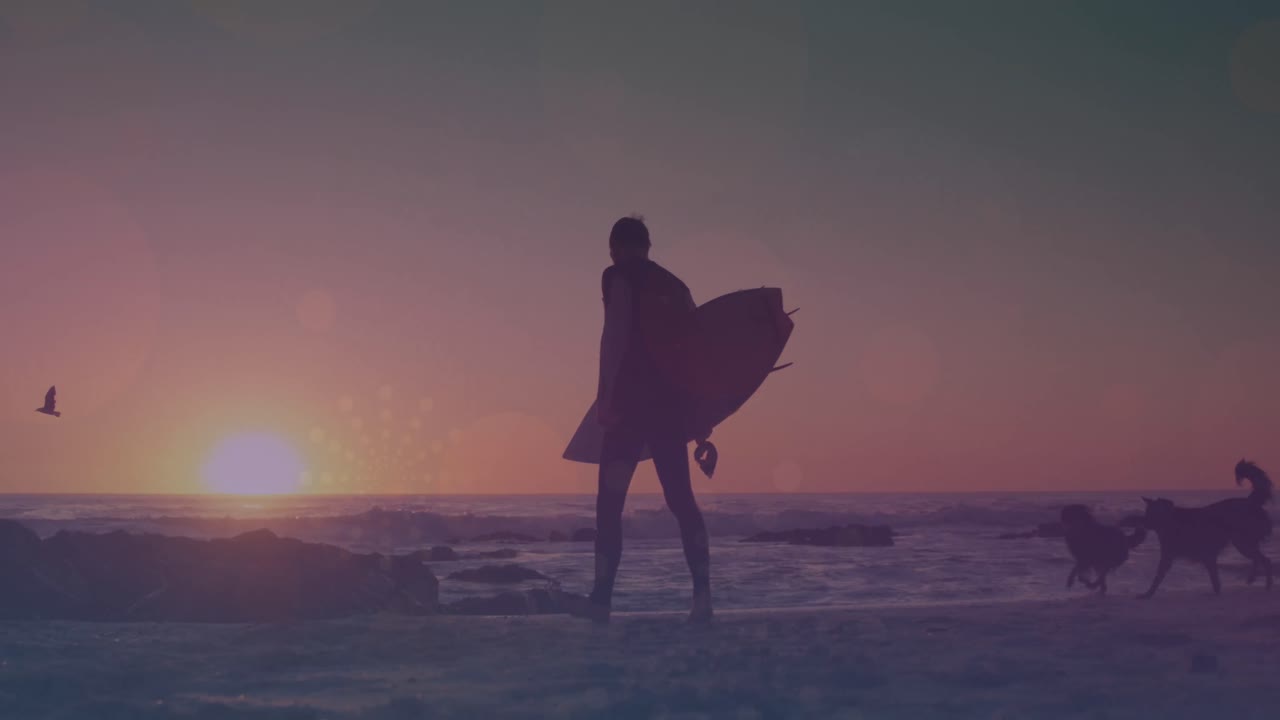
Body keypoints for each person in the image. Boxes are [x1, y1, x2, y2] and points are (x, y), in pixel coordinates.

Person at [574, 215, 712, 624]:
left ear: (616, 247)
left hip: (628, 410)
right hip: (670, 411)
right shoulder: (676, 286)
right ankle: (702, 597)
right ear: (648, 246)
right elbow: (698, 355)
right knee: (682, 501)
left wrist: (605, 401)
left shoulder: (617, 277)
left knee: (609, 506)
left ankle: (601, 601)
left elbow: (613, 339)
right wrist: (701, 418)